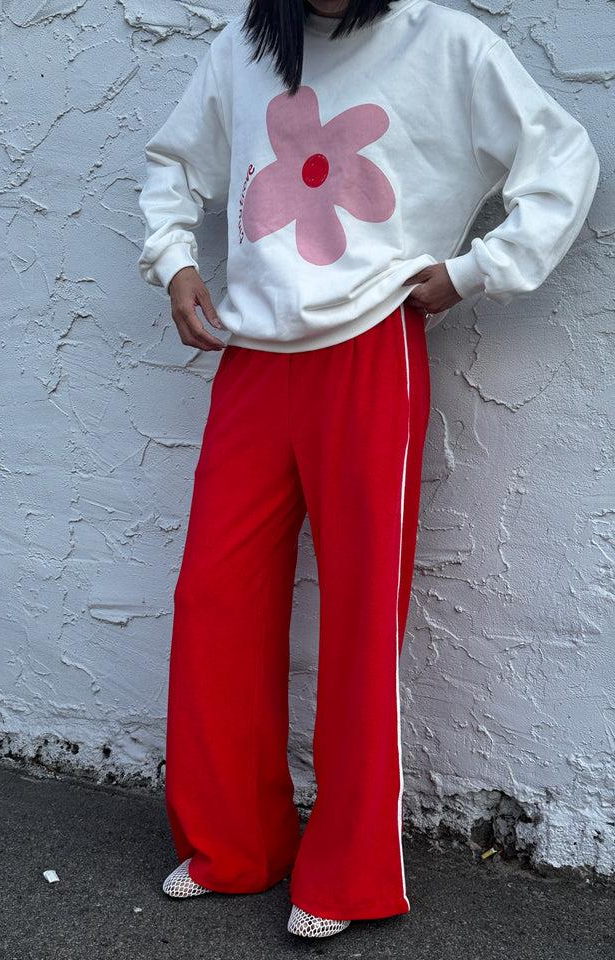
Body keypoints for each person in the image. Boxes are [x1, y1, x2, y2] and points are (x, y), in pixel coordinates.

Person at [136, 0, 600, 940]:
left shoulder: (447, 43)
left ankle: (347, 876)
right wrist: (175, 259)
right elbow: (175, 165)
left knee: (359, 608)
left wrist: (476, 269)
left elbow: (564, 158)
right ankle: (235, 847)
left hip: (370, 347)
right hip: (255, 356)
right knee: (214, 599)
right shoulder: (244, 49)